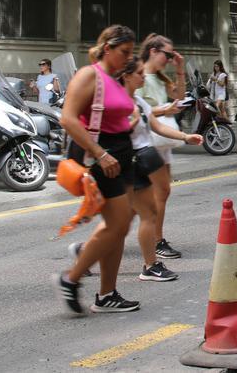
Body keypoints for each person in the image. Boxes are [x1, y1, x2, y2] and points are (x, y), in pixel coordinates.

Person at [71, 56, 205, 283]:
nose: (144, 77)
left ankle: (86, 252)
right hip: (128, 164)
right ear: (126, 76)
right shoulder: (119, 104)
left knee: (130, 218)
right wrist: (130, 123)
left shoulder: (138, 102)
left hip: (141, 161)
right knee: (140, 216)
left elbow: (156, 125)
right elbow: (114, 134)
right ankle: (148, 266)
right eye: (140, 74)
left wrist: (185, 136)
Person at [54, 25, 140, 315]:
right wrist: (100, 154)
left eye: (131, 53)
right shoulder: (90, 75)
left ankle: (107, 294)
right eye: (124, 52)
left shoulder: (115, 79)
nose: (128, 58)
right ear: (107, 48)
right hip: (103, 156)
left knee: (120, 226)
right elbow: (68, 118)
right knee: (117, 225)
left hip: (121, 154)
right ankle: (71, 278)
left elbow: (116, 117)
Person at [139, 33, 186, 261]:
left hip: (162, 140)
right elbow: (136, 109)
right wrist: (163, 111)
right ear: (153, 51)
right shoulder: (138, 75)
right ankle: (156, 241)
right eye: (167, 54)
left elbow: (180, 95)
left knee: (150, 195)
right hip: (147, 139)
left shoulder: (160, 77)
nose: (169, 58)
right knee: (157, 193)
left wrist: (180, 69)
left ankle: (90, 248)